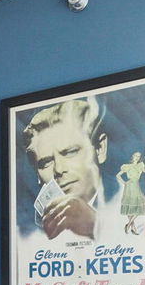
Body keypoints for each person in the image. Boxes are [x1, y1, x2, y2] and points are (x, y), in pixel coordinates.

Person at [22, 96, 107, 240]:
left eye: (70, 152)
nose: (59, 169)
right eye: (46, 162)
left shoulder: (136, 210)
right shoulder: (28, 234)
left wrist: (95, 225)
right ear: (37, 173)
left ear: (100, 149)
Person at [117, 150, 145, 235]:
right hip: (129, 186)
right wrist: (124, 183)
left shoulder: (140, 165)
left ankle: (128, 225)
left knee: (138, 206)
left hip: (136, 186)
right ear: (132, 156)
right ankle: (133, 228)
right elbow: (118, 175)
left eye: (139, 156)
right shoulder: (127, 166)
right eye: (136, 156)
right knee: (129, 207)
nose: (137, 158)